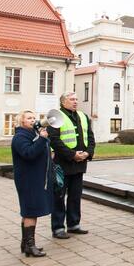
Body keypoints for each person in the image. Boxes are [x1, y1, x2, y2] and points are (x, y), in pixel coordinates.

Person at [48, 91, 95, 239]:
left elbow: (90, 137)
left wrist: (88, 153)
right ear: (63, 102)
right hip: (62, 164)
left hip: (79, 163)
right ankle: (58, 227)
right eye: (72, 99)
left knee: (75, 195)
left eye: (76, 99)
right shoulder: (56, 116)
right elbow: (54, 140)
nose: (75, 102)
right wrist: (72, 155)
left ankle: (74, 224)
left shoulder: (83, 116)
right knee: (59, 196)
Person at [11, 110, 54, 257]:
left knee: (30, 210)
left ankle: (26, 244)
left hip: (35, 178)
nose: (33, 120)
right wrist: (42, 139)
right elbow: (29, 153)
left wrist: (43, 138)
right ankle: (30, 245)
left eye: (34, 117)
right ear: (21, 121)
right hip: (28, 180)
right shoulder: (20, 137)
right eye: (29, 118)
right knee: (30, 211)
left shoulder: (32, 134)